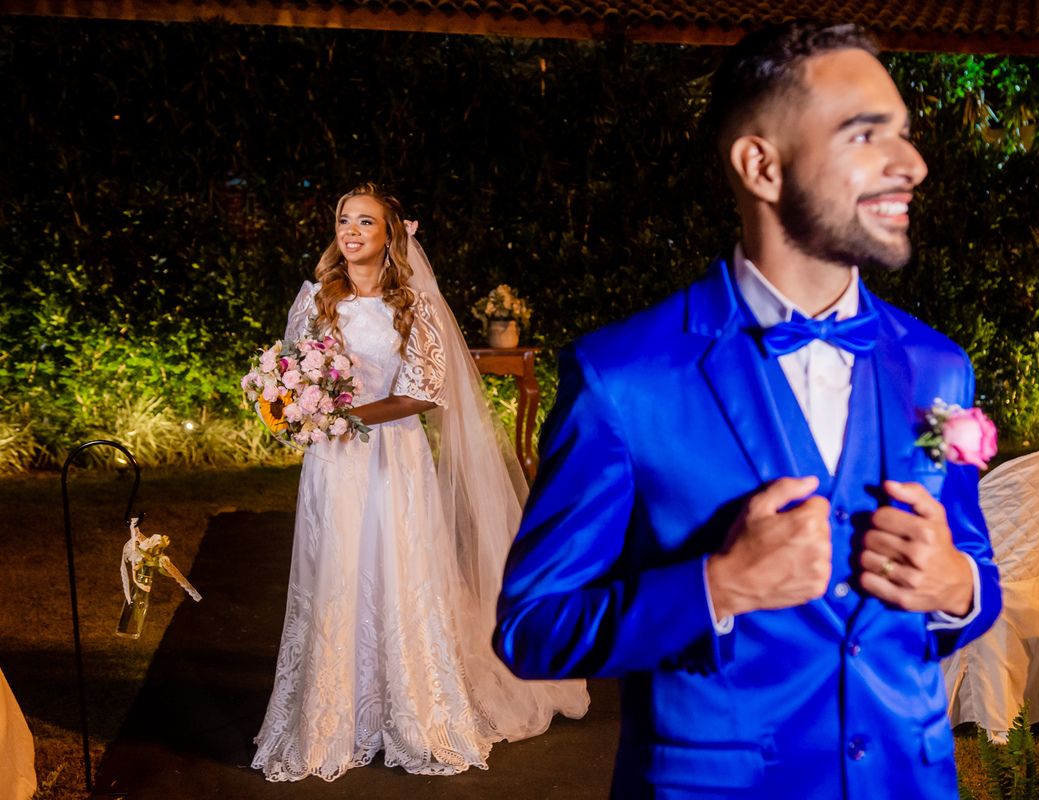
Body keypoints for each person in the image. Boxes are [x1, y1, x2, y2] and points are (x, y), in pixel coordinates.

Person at [493, 23, 1001, 799]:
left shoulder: (939, 368)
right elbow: (533, 629)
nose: (913, 165)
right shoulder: (622, 379)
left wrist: (956, 585)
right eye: (867, 136)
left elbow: (975, 568)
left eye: (905, 135)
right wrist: (717, 586)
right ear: (761, 165)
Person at [252, 183, 588, 782]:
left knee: (397, 571)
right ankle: (330, 714)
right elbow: (289, 376)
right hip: (331, 465)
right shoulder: (312, 299)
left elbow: (421, 394)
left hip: (392, 459)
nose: (350, 231)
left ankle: (414, 711)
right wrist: (290, 411)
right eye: (342, 220)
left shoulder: (415, 303)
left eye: (365, 222)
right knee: (334, 572)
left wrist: (346, 415)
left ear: (390, 235)